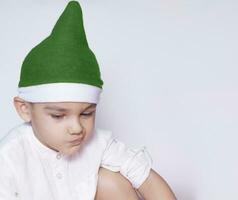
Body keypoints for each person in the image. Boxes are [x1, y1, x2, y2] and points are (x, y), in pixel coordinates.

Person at [0, 1, 177, 199]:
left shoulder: (97, 143)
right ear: (24, 109)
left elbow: (147, 179)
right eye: (58, 116)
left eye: (86, 113)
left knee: (109, 181)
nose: (77, 128)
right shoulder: (8, 158)